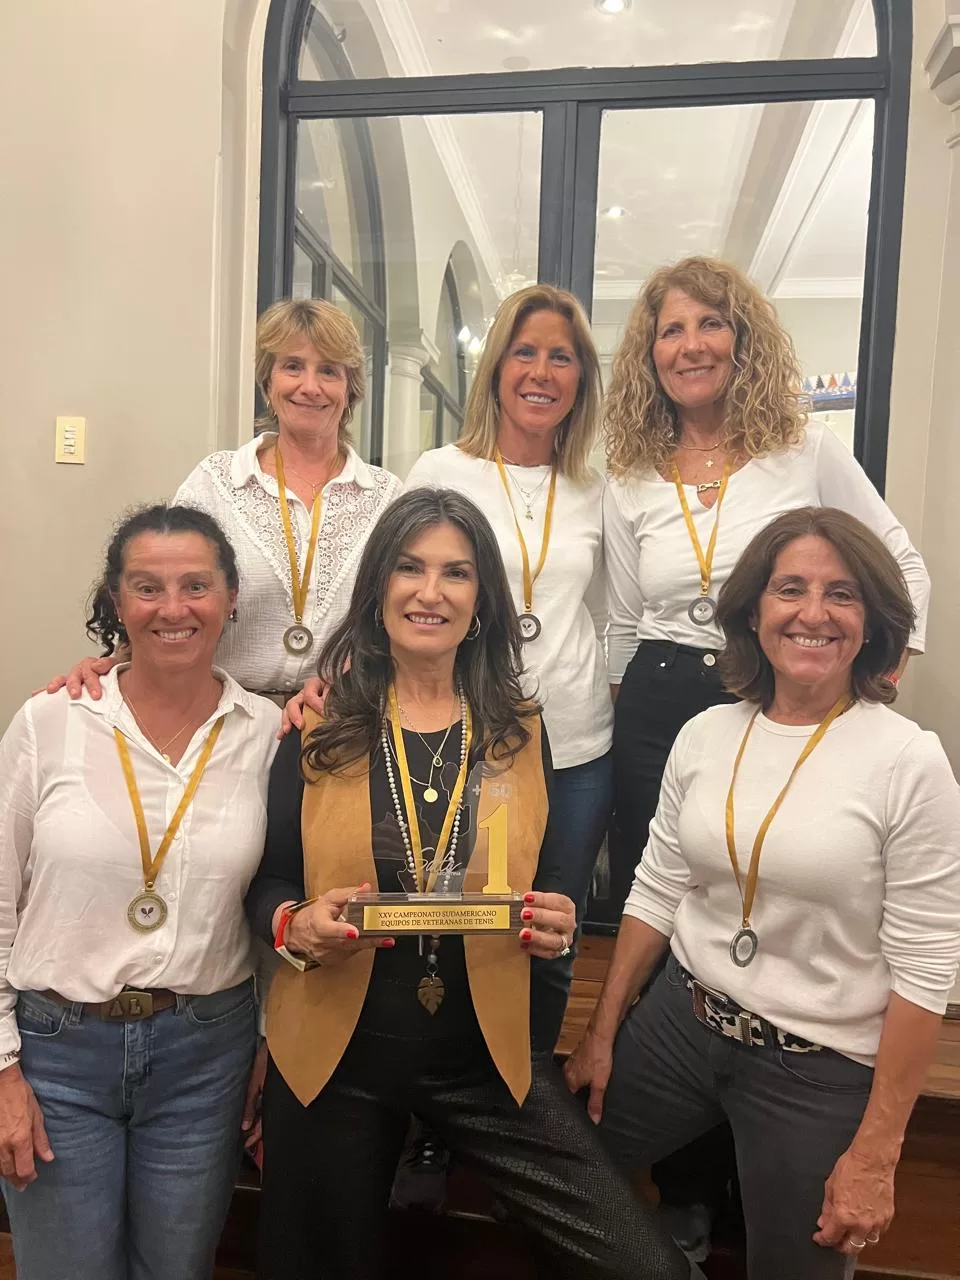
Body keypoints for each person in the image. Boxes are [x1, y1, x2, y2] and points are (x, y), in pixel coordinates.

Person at [245, 487, 686, 1280]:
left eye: (456, 573)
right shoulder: (321, 722)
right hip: (336, 1056)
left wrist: (558, 920)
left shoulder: (520, 727)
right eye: (409, 568)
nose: (430, 591)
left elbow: (552, 882)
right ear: (378, 585)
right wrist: (293, 925)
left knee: (640, 1260)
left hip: (482, 1054)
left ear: (482, 600)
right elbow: (270, 876)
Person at [601, 254, 931, 1256]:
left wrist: (877, 683)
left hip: (773, 676)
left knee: (777, 899)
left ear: (742, 341)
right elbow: (620, 619)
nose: (690, 343)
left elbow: (896, 565)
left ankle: (772, 1176)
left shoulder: (804, 449)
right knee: (677, 914)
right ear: (649, 354)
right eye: (670, 329)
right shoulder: (628, 471)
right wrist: (629, 723)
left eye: (710, 324)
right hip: (665, 702)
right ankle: (692, 1196)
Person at [565, 506, 960, 1280]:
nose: (813, 613)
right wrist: (603, 1030)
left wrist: (879, 1150)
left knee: (797, 1268)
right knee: (565, 1183)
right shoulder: (707, 734)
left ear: (872, 620)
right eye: (791, 589)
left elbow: (924, 968)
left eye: (841, 594)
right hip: (683, 1020)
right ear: (753, 610)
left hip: (818, 1061)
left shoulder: (909, 763)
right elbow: (657, 887)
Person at [0, 505, 281, 1280]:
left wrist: (268, 1041)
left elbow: (275, 904)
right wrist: (0, 1070)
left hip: (205, 1053)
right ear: (117, 605)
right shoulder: (51, 721)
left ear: (230, 601)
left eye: (196, 585)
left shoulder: (268, 736)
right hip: (58, 1054)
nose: (173, 607)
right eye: (147, 587)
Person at [48, 297, 402, 705]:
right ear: (268, 381)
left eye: (329, 371)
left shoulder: (387, 497)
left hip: (339, 717)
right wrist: (118, 660)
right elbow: (167, 587)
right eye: (292, 366)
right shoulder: (216, 483)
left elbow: (392, 621)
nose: (310, 386)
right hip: (226, 716)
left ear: (350, 388)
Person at [403, 285, 612, 956]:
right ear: (496, 368)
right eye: (524, 352)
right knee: (472, 918)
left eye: (562, 357)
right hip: (471, 734)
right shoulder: (441, 471)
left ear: (581, 380)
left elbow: (613, 615)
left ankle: (537, 1058)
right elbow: (394, 595)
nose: (541, 373)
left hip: (578, 746)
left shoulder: (596, 487)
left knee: (556, 923)